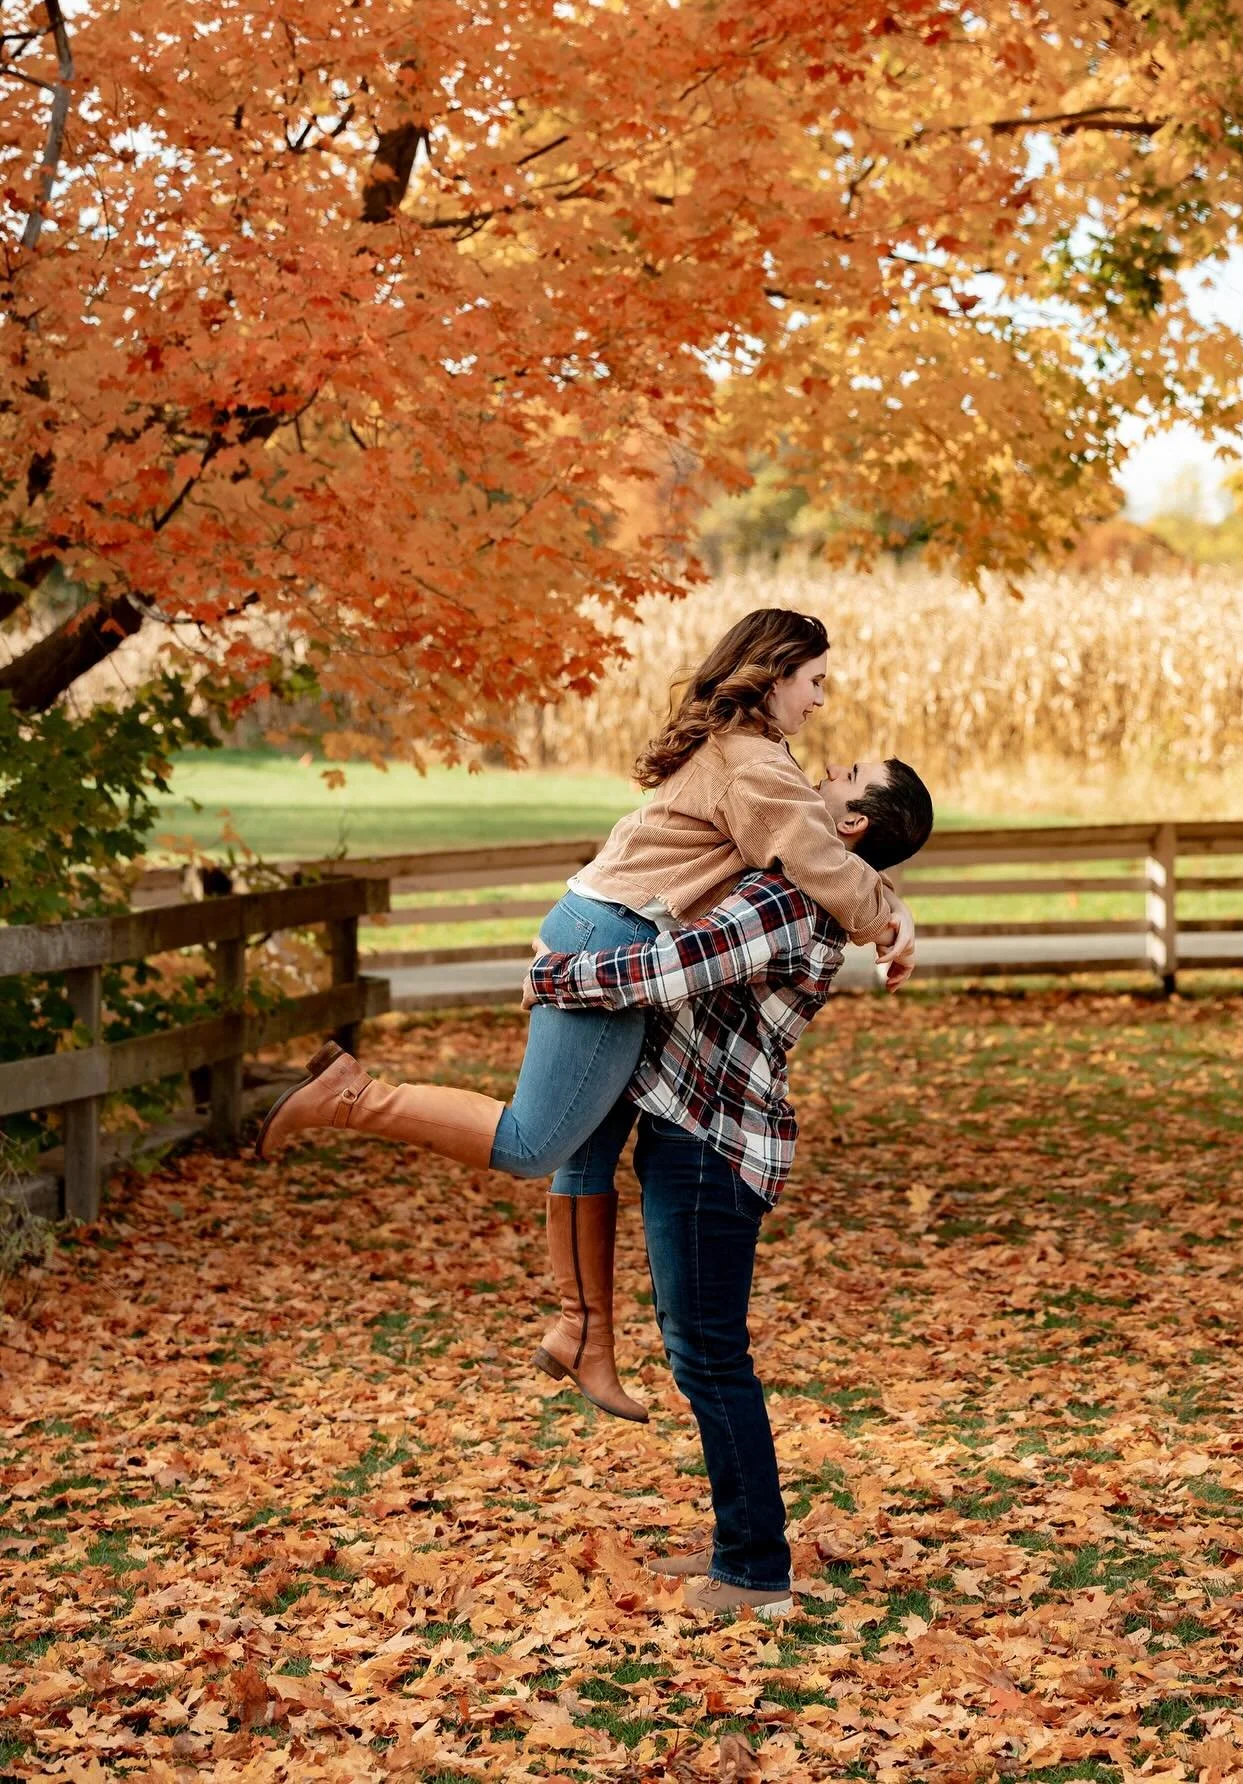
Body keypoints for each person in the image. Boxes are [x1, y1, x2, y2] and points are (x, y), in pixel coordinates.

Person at [256, 610, 918, 1424]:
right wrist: (890, 921)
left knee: (588, 1149)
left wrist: (891, 902)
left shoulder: (756, 753)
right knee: (535, 1142)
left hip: (610, 921)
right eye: (814, 681)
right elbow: (824, 863)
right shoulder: (757, 765)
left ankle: (583, 1336)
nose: (820, 699)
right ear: (775, 673)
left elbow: (829, 851)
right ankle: (354, 1097)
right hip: (615, 937)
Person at [524, 755, 935, 1618]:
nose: (827, 765)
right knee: (703, 1352)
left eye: (849, 773)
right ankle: (739, 1543)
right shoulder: (804, 883)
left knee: (709, 1356)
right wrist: (895, 910)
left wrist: (553, 975)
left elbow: (672, 969)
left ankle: (753, 1571)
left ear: (852, 823)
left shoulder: (786, 901)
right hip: (697, 1136)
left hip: (712, 1149)